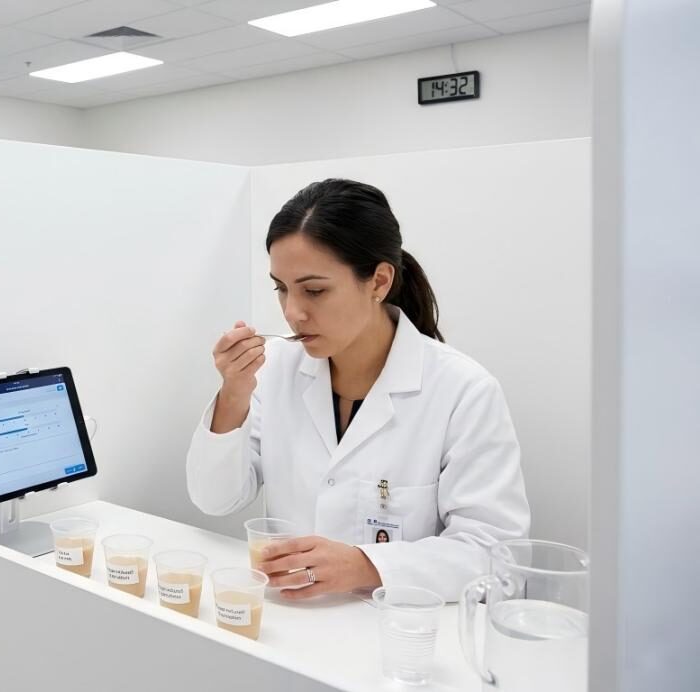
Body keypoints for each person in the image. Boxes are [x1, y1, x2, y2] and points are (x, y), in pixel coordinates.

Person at [186, 179, 529, 602]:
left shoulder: (463, 392)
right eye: (281, 288)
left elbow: (498, 560)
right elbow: (214, 499)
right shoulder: (274, 370)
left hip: (397, 634)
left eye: (314, 290)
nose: (293, 312)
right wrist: (234, 393)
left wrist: (367, 565)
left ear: (379, 281)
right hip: (290, 622)